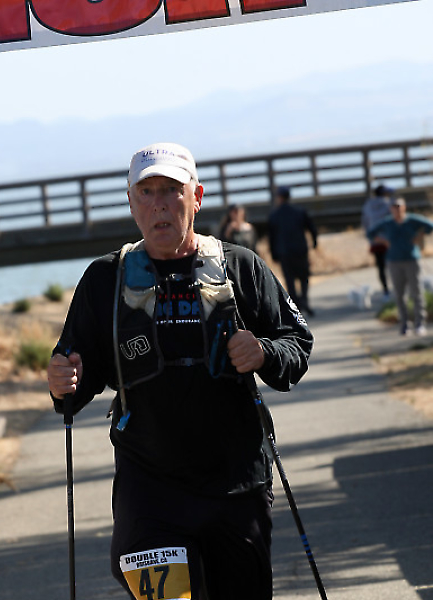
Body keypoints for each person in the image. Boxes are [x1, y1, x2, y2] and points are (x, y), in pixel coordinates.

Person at [47, 142, 314, 600]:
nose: (159, 205)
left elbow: (297, 343)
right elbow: (74, 373)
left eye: (171, 190)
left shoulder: (240, 267)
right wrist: (63, 382)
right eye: (146, 192)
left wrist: (264, 353)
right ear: (131, 203)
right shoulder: (104, 280)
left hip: (235, 482)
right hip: (150, 489)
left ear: (197, 197)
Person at [368, 197, 433, 336]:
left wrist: (419, 236)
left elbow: (429, 226)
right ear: (391, 209)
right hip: (394, 261)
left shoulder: (412, 220)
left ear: (404, 207)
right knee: (399, 294)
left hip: (412, 259)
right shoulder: (387, 223)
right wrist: (383, 241)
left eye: (399, 207)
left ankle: (419, 323)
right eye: (394, 207)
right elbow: (370, 233)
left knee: (416, 292)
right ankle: (404, 324)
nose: (397, 210)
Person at [267, 186, 318, 316]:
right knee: (304, 277)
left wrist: (273, 254)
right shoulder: (300, 211)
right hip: (300, 250)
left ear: (279, 197)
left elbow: (272, 237)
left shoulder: (274, 215)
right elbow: (312, 228)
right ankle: (304, 300)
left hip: (284, 253)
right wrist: (314, 242)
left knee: (290, 280)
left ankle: (296, 305)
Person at [362, 184, 393, 298]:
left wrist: (370, 238)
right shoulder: (389, 204)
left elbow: (365, 224)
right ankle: (397, 289)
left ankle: (385, 291)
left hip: (375, 241)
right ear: (384, 193)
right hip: (389, 241)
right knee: (394, 265)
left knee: (381, 267)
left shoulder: (367, 205)